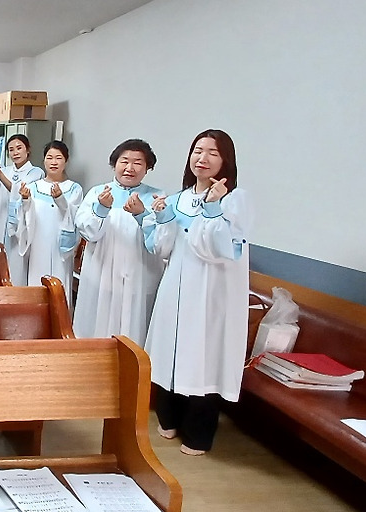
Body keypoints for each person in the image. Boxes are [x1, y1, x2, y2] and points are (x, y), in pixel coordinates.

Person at [143, 129, 252, 456]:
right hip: (176, 285)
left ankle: (199, 433)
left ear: (226, 161)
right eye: (197, 151)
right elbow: (163, 248)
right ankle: (169, 417)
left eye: (212, 153)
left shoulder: (235, 200)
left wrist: (213, 207)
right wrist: (163, 218)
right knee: (171, 347)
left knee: (202, 354)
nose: (202, 159)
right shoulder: (178, 198)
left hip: (210, 290)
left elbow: (219, 249)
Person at [73, 138, 164, 342]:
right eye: (124, 161)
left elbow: (160, 240)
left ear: (147, 168)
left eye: (138, 163)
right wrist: (101, 208)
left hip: (139, 275)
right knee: (98, 324)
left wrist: (142, 214)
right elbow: (88, 232)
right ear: (114, 164)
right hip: (102, 273)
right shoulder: (98, 193)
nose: (130, 168)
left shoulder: (156, 197)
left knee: (134, 327)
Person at [15, 140, 84, 305]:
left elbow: (75, 217)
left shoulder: (74, 188)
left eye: (58, 158)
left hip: (61, 247)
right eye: (50, 157)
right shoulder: (33, 187)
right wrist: (25, 200)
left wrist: (60, 199)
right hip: (38, 243)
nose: (54, 162)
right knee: (37, 281)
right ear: (44, 160)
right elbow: (24, 216)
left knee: (60, 284)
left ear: (66, 161)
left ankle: (60, 318)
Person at [0, 134, 45, 284]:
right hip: (1, 220)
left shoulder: (36, 172)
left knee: (17, 264)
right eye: (11, 150)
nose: (15, 153)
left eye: (19, 148)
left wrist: (0, 175)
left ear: (28, 150)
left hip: (21, 225)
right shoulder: (6, 170)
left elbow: (19, 192)